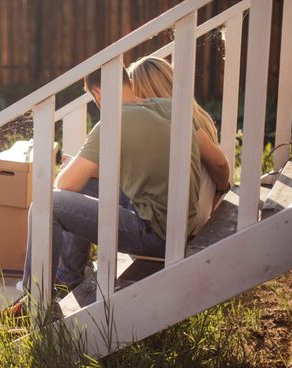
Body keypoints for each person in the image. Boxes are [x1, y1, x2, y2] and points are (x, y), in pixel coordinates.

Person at [18, 66, 202, 310]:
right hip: (180, 224)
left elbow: (64, 184)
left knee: (48, 203)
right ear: (130, 84)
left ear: (98, 94)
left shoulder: (113, 122)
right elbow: (218, 162)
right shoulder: (169, 107)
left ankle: (33, 305)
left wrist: (76, 167)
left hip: (155, 235)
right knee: (87, 184)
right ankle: (67, 280)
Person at [127, 56, 231, 234]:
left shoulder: (170, 122)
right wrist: (220, 190)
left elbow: (219, 162)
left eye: (133, 92)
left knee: (81, 190)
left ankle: (72, 262)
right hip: (198, 213)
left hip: (176, 222)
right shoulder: (197, 116)